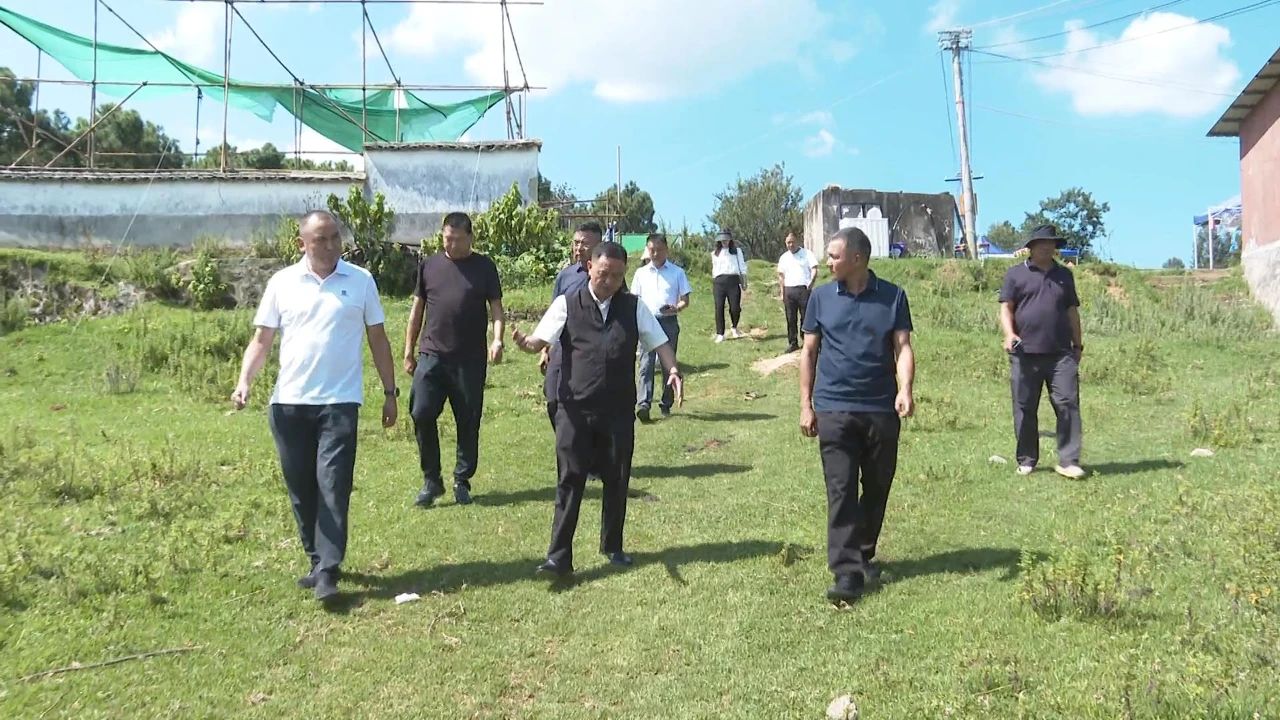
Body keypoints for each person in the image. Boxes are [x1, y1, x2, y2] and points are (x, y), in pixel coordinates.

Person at [231, 210, 398, 602]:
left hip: (339, 403)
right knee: (301, 488)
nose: (330, 245)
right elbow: (261, 340)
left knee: (333, 485)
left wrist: (390, 392)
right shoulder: (282, 282)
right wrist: (244, 382)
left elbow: (377, 338)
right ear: (301, 243)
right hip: (289, 404)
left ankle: (328, 569)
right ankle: (315, 559)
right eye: (320, 239)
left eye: (335, 237)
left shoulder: (361, 281)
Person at [511, 242, 684, 576]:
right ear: (590, 267)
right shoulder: (567, 303)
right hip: (574, 408)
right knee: (569, 478)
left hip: (617, 409)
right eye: (604, 274)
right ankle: (558, 557)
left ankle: (613, 545)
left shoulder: (633, 307)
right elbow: (539, 340)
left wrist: (673, 370)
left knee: (617, 477)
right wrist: (526, 343)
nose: (610, 282)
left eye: (618, 276)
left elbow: (660, 342)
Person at [799, 227, 915, 604]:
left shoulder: (893, 296)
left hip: (881, 407)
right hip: (834, 406)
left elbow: (902, 347)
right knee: (841, 488)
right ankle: (846, 571)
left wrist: (905, 389)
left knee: (878, 484)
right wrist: (806, 404)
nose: (828, 261)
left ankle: (863, 552)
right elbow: (809, 352)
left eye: (834, 256)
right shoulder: (820, 298)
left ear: (857, 258)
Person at [403, 212, 505, 508]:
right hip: (432, 355)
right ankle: (431, 480)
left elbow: (496, 309)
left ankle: (462, 480)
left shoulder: (484, 267)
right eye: (447, 238)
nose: (451, 244)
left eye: (458, 240)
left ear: (470, 238)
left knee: (468, 420)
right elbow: (417, 311)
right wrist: (409, 350)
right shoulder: (429, 265)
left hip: (469, 360)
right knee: (421, 412)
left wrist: (497, 339)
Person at [998, 224, 1085, 480]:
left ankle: (1069, 461)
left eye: (1051, 243)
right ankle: (1027, 459)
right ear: (1031, 247)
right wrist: (1009, 334)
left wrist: (1078, 345)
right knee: (1024, 407)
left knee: (1067, 403)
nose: (1047, 247)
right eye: (1041, 243)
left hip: (1061, 354)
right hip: (1024, 352)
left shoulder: (1064, 276)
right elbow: (1006, 308)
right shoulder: (1015, 274)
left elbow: (1072, 312)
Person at [630, 233, 691, 422]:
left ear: (666, 250)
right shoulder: (640, 273)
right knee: (645, 364)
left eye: (659, 249)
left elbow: (685, 300)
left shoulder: (677, 272)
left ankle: (666, 402)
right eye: (651, 250)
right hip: (646, 322)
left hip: (668, 321)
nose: (655, 253)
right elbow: (634, 299)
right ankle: (643, 404)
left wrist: (676, 308)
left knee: (668, 364)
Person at [776, 231, 818, 353]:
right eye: (788, 242)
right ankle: (793, 342)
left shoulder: (807, 254)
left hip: (803, 289)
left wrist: (811, 282)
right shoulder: (784, 257)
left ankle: (806, 341)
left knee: (805, 317)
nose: (790, 245)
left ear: (797, 241)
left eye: (792, 242)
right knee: (790, 318)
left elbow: (814, 268)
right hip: (789, 290)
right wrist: (782, 292)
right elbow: (781, 276)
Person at [710, 229, 748, 343]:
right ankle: (720, 333)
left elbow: (742, 267)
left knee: (735, 307)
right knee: (719, 307)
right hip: (719, 282)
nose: (724, 242)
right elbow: (714, 269)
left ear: (730, 240)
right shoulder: (715, 253)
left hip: (733, 281)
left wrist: (744, 281)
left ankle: (734, 327)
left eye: (726, 240)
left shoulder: (737, 251)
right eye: (722, 240)